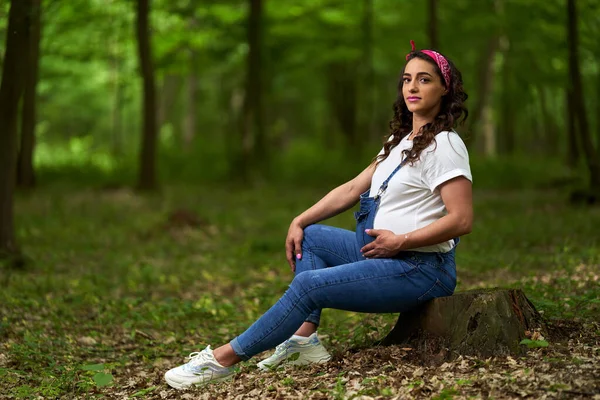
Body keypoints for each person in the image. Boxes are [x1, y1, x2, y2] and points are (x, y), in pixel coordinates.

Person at [164, 40, 473, 390]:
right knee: (308, 236)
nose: (412, 87)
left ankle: (222, 360)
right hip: (381, 252)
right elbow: (351, 189)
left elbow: (462, 220)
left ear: (445, 88)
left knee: (310, 285)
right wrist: (299, 219)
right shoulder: (399, 141)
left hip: (421, 268)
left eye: (425, 79)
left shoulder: (445, 144)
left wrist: (401, 240)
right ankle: (303, 342)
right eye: (406, 79)